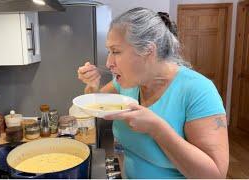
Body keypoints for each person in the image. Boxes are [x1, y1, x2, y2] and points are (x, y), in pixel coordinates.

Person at [77, 7, 228, 179]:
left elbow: (215, 177)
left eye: (116, 51)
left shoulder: (198, 90)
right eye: (109, 51)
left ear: (148, 50)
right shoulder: (128, 82)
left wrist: (157, 129)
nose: (108, 62)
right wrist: (92, 85)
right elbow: (96, 105)